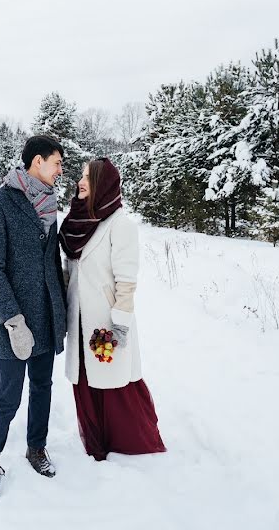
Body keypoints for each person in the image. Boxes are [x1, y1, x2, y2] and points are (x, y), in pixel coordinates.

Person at [0, 135, 68, 506]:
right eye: (57, 162)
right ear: (38, 162)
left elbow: (52, 261)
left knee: (42, 386)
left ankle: (36, 447)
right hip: (15, 319)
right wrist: (13, 320)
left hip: (47, 313)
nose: (61, 170)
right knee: (9, 394)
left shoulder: (50, 204)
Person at [59, 158, 165, 461]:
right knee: (85, 382)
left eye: (88, 178)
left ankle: (129, 445)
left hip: (105, 321)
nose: (80, 182)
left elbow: (126, 282)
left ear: (103, 185)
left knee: (115, 387)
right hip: (78, 318)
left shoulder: (121, 225)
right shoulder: (75, 221)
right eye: (81, 176)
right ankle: (95, 443)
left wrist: (119, 325)